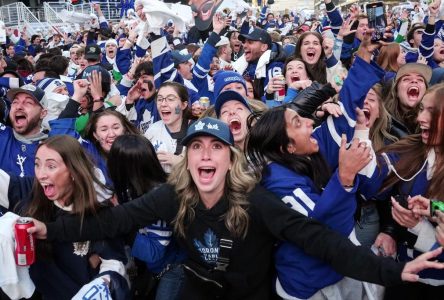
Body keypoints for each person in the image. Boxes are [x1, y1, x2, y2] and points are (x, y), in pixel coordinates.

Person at [28, 117, 444, 300]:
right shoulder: (173, 196)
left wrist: (393, 271)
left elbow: (320, 242)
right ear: (187, 159)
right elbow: (115, 218)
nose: (205, 155)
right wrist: (49, 231)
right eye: (196, 148)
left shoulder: (258, 202)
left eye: (215, 148)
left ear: (229, 159)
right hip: (199, 286)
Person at [0, 135, 129, 300]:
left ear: (73, 171)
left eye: (51, 166)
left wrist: (101, 284)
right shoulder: (34, 193)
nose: (41, 175)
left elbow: (114, 264)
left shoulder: (99, 214)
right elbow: (6, 185)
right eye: (37, 164)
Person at [0, 84, 47, 177]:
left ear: (43, 113)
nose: (19, 107)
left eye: (28, 103)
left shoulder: (51, 146)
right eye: (15, 102)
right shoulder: (2, 134)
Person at [144, 81, 191, 173]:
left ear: (183, 105)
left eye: (170, 99)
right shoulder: (152, 131)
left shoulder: (196, 130)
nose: (163, 104)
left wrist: (180, 161)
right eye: (160, 99)